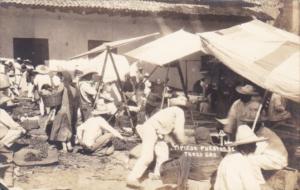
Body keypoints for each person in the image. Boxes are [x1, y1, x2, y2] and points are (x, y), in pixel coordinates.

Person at [127, 105, 186, 188]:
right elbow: (178, 132)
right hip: (150, 129)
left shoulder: (172, 110)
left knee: (163, 153)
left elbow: (171, 132)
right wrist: (184, 145)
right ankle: (132, 178)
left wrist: (176, 143)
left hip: (158, 132)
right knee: (148, 156)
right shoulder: (180, 112)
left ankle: (158, 174)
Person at [214, 125, 268, 190]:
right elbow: (251, 187)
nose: (256, 146)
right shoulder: (242, 162)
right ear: (247, 146)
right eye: (254, 144)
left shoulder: (228, 157)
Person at [241, 101, 288, 171]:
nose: (249, 126)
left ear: (259, 123)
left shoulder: (264, 133)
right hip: (266, 157)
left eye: (251, 124)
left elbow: (256, 152)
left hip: (276, 160)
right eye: (248, 123)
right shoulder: (255, 132)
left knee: (247, 159)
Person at [49, 71, 80, 152]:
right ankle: (69, 145)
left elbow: (56, 94)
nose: (60, 79)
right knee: (68, 126)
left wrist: (51, 91)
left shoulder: (62, 85)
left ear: (64, 78)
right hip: (71, 110)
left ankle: (64, 147)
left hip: (62, 109)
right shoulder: (74, 88)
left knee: (61, 127)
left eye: (61, 77)